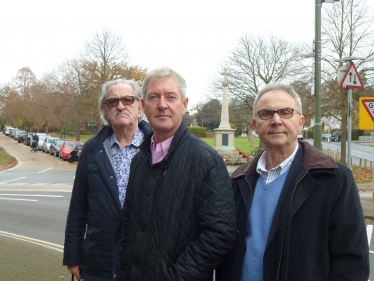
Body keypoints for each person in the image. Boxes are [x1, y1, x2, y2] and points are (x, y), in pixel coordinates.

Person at [216, 83, 369, 281]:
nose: (276, 120)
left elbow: (352, 261)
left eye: (286, 112)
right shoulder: (239, 180)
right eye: (266, 114)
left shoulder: (333, 179)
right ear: (255, 124)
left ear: (301, 122)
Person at [115, 67, 237, 281]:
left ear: (184, 104)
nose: (162, 105)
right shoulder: (139, 161)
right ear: (143, 106)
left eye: (171, 97)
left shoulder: (205, 161)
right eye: (154, 97)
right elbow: (128, 229)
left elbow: (219, 235)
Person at [63, 79, 152, 281]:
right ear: (105, 109)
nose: (120, 106)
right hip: (98, 259)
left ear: (140, 107)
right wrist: (73, 256)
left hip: (145, 259)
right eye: (113, 101)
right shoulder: (92, 149)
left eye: (127, 100)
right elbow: (78, 207)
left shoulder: (156, 147)